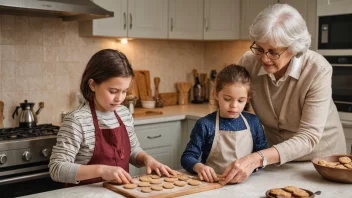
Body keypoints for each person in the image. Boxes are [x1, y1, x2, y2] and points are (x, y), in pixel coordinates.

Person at [220, 4, 346, 185]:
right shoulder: (249, 62)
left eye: (273, 52)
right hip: (274, 160)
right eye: (260, 49)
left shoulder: (317, 70)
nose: (264, 58)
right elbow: (236, 107)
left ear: (294, 48)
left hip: (320, 164)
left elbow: (308, 136)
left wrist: (256, 158)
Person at [49, 49, 176, 185]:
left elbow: (133, 150)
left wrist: (146, 159)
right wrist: (102, 170)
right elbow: (57, 168)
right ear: (93, 85)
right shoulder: (77, 120)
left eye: (124, 92)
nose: (119, 98)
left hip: (119, 192)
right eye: (113, 91)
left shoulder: (124, 114)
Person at [181, 64, 268, 183]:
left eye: (240, 100)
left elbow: (263, 154)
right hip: (214, 182)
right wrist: (199, 167)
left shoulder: (253, 122)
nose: (234, 105)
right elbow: (187, 157)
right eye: (227, 99)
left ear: (248, 98)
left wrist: (254, 167)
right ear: (216, 94)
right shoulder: (206, 124)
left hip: (248, 182)